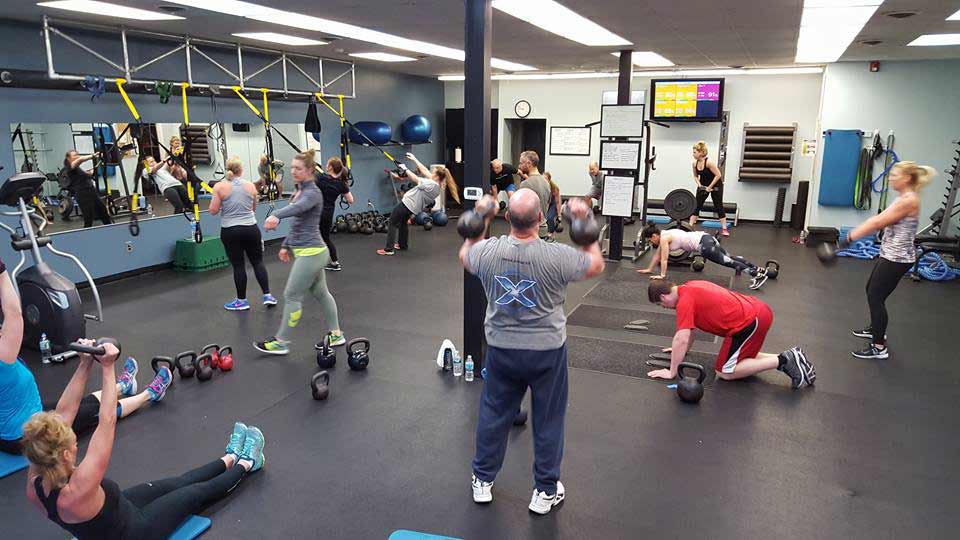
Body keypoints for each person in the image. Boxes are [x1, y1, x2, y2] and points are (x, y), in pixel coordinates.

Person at [21, 340, 265, 540]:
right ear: (65, 455)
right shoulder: (80, 487)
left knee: (180, 481)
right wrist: (107, 367)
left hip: (120, 509)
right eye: (73, 440)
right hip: (136, 532)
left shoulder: (37, 478)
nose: (76, 442)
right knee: (196, 493)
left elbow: (63, 413)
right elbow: (107, 420)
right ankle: (247, 462)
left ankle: (230, 456)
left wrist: (85, 364)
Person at [460, 191, 605, 515]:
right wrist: (581, 219)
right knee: (549, 420)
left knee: (494, 414)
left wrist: (482, 214)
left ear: (507, 217)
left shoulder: (487, 252)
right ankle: (544, 491)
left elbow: (465, 253)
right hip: (546, 353)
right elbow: (596, 263)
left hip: (501, 350)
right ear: (541, 218)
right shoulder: (557, 256)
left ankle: (482, 480)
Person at [0, 259, 173, 457]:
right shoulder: (3, 356)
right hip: (21, 438)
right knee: (95, 413)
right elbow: (13, 313)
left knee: (78, 402)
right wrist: (1, 270)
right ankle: (150, 394)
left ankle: (122, 387)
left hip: (16, 424)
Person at [838, 161, 932, 359]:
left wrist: (848, 239)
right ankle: (875, 329)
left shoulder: (909, 200)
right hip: (890, 254)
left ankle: (879, 347)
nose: (890, 178)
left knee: (876, 297)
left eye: (895, 175)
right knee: (871, 290)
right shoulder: (904, 198)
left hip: (897, 258)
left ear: (906, 178)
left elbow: (878, 221)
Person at [255, 149, 345, 355]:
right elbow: (299, 222)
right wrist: (286, 245)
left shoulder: (312, 192)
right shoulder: (300, 191)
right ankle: (337, 334)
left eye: (299, 168)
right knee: (322, 293)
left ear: (310, 170)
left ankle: (281, 341)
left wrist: (276, 214)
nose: (294, 171)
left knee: (292, 295)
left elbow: (298, 209)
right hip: (310, 251)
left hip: (311, 253)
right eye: (292, 168)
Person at [646, 279, 816, 389]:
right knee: (740, 357)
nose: (665, 308)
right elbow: (689, 333)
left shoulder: (684, 302)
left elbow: (681, 338)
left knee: (724, 372)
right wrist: (679, 351)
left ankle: (784, 360)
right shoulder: (689, 286)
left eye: (661, 305)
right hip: (758, 312)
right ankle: (794, 357)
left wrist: (672, 372)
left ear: (663, 297)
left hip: (749, 323)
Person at [209, 157, 276, 311]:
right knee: (258, 262)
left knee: (239, 266)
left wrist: (225, 206)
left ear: (228, 169)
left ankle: (242, 301)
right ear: (241, 170)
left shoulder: (220, 187)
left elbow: (212, 211)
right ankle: (267, 296)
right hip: (250, 229)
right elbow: (253, 208)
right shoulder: (250, 186)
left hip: (230, 230)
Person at [637, 222, 769, 289]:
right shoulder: (665, 234)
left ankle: (756, 275)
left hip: (704, 245)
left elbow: (664, 259)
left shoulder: (665, 239)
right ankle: (757, 269)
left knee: (727, 262)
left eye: (650, 240)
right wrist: (649, 269)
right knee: (730, 257)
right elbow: (657, 256)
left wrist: (662, 275)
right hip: (706, 238)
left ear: (654, 236)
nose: (650, 242)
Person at [379, 152, 459, 256]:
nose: (431, 173)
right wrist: (414, 159)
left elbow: (415, 179)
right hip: (413, 207)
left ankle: (388, 249)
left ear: (436, 176)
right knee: (403, 222)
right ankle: (402, 244)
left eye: (433, 173)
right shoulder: (437, 186)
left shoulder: (430, 184)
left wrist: (405, 169)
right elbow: (425, 171)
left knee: (392, 221)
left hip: (407, 204)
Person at [315, 157, 354, 271]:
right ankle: (334, 262)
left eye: (327, 164)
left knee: (314, 237)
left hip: (317, 212)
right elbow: (351, 200)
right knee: (326, 238)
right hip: (328, 213)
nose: (326, 165)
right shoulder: (342, 184)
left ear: (330, 167)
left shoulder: (321, 178)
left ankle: (315, 262)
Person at [63, 150, 112, 228]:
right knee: (88, 218)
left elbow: (85, 175)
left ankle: (111, 229)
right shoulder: (70, 167)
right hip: (83, 194)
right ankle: (85, 236)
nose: (77, 156)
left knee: (103, 212)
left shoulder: (77, 169)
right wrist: (93, 155)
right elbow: (80, 160)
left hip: (92, 192)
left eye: (77, 155)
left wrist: (90, 172)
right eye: (74, 155)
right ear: (68, 158)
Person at [689, 141, 729, 236]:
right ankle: (689, 227)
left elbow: (718, 175)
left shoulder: (709, 163)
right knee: (696, 205)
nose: (693, 154)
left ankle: (724, 228)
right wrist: (699, 185)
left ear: (701, 152)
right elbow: (695, 176)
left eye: (695, 152)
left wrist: (710, 187)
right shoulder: (694, 164)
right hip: (703, 185)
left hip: (716, 185)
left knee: (718, 206)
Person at [516, 151, 552, 237]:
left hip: (529, 231)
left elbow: (520, 210)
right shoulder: (546, 183)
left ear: (528, 163)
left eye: (521, 163)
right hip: (543, 230)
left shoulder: (525, 184)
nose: (519, 166)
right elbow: (547, 205)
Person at [543, 172, 562, 241]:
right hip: (546, 203)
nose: (544, 181)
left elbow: (558, 202)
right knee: (544, 218)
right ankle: (546, 233)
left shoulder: (554, 188)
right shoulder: (542, 187)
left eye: (545, 179)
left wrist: (559, 216)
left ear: (549, 180)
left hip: (554, 204)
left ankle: (551, 234)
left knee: (549, 217)